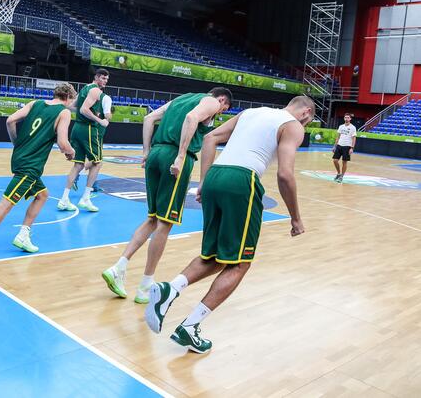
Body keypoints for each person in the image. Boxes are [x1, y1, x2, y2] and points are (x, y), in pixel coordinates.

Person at [144, 96, 315, 354]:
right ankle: (190, 327)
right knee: (240, 263)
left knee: (213, 256)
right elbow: (285, 174)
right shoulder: (293, 125)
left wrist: (203, 181)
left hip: (216, 175)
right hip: (242, 180)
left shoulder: (252, 111)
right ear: (306, 112)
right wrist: (296, 217)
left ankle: (170, 289)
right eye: (310, 118)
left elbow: (210, 138)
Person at [101, 87, 232, 304]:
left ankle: (119, 267)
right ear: (221, 99)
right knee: (165, 223)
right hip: (174, 156)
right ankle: (145, 285)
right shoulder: (211, 102)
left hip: (155, 154)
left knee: (152, 218)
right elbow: (191, 118)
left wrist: (145, 152)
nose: (220, 112)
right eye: (224, 108)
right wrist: (181, 156)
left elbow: (149, 118)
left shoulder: (181, 97)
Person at [0, 83, 77, 265]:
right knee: (6, 203)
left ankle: (23, 235)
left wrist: (17, 142)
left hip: (19, 157)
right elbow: (63, 142)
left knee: (42, 195)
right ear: (68, 97)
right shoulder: (64, 112)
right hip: (30, 165)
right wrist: (71, 152)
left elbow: (10, 121)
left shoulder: (35, 103)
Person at [57, 68, 110, 212]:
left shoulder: (85, 88)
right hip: (88, 129)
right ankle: (86, 198)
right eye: (103, 78)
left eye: (107, 79)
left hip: (77, 129)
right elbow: (83, 110)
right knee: (98, 162)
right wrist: (99, 120)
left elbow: (72, 107)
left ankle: (64, 200)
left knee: (78, 165)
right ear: (97, 77)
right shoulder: (95, 91)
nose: (105, 81)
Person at [73, 91, 113, 193]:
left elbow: (74, 108)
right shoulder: (106, 98)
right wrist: (110, 115)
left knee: (94, 159)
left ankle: (93, 184)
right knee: (97, 160)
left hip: (84, 129)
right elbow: (108, 116)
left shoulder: (87, 95)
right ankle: (77, 174)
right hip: (96, 131)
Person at [332, 113, 356, 183]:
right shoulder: (341, 126)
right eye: (345, 117)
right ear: (344, 118)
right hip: (339, 145)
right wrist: (334, 146)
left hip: (347, 146)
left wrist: (352, 148)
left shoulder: (353, 127)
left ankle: (341, 176)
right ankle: (339, 173)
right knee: (335, 160)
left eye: (348, 117)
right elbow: (338, 137)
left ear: (350, 119)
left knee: (344, 162)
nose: (346, 119)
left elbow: (354, 138)